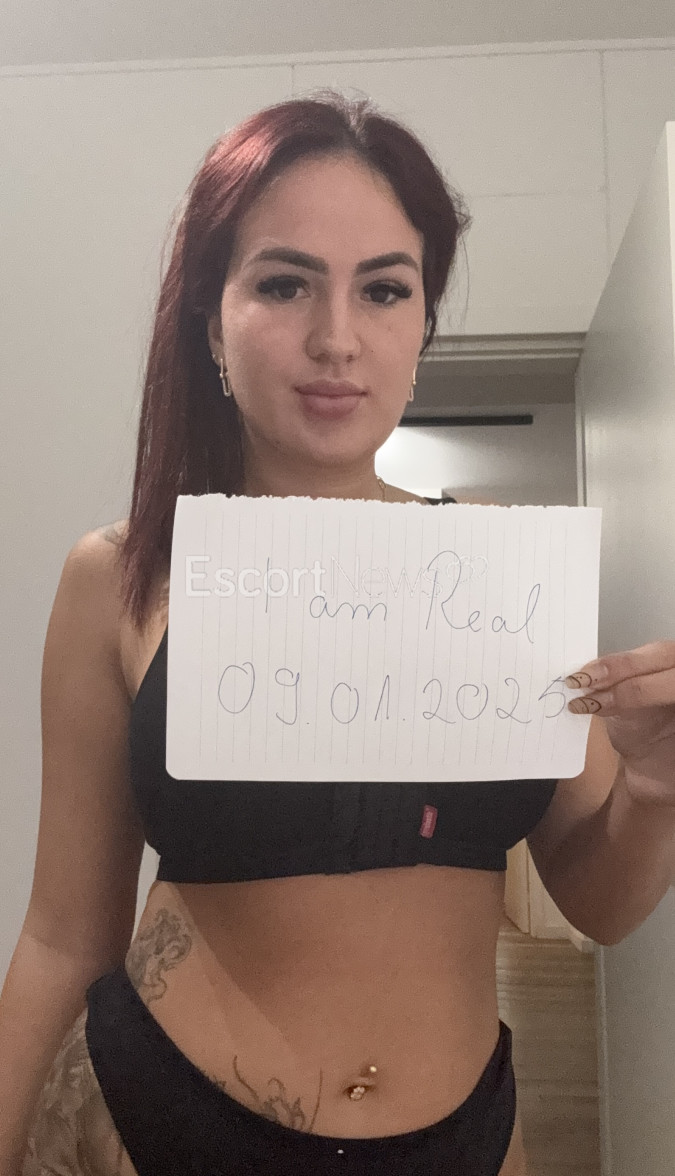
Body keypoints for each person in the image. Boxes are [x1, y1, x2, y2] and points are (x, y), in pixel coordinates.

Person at [3, 89, 675, 1176]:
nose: (336, 338)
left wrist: (653, 788)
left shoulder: (497, 572)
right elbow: (61, 937)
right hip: (154, 1128)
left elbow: (599, 901)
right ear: (210, 321)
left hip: (463, 1142)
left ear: (422, 326)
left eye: (384, 290)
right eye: (283, 284)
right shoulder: (122, 576)